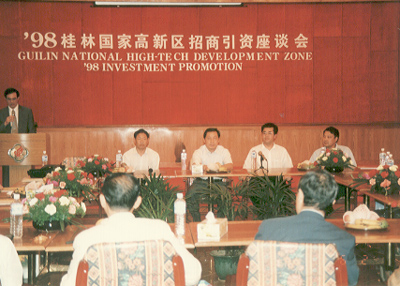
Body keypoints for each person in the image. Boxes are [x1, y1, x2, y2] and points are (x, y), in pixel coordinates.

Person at [60, 173, 202, 286]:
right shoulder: (160, 230)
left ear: (102, 200)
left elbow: (71, 283)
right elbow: (194, 274)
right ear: (138, 202)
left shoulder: (87, 239)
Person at [254, 170, 359, 286]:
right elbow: (350, 280)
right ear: (332, 202)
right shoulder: (345, 240)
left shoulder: (268, 229)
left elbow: (258, 273)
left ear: (300, 195)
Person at [186, 128, 233, 222]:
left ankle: (220, 221)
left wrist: (217, 167)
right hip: (201, 183)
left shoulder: (224, 151)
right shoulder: (199, 151)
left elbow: (230, 165)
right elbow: (195, 165)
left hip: (219, 183)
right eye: (209, 138)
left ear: (219, 140)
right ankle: (197, 221)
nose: (212, 141)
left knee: (226, 196)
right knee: (190, 195)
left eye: (215, 138)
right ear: (204, 140)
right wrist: (206, 167)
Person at [0, 88, 36, 187]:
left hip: (24, 151)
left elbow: (32, 131)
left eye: (14, 99)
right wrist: (5, 123)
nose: (11, 102)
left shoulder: (27, 112)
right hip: (7, 152)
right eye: (9, 99)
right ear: (5, 99)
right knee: (8, 180)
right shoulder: (1, 113)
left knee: (24, 179)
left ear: (18, 98)